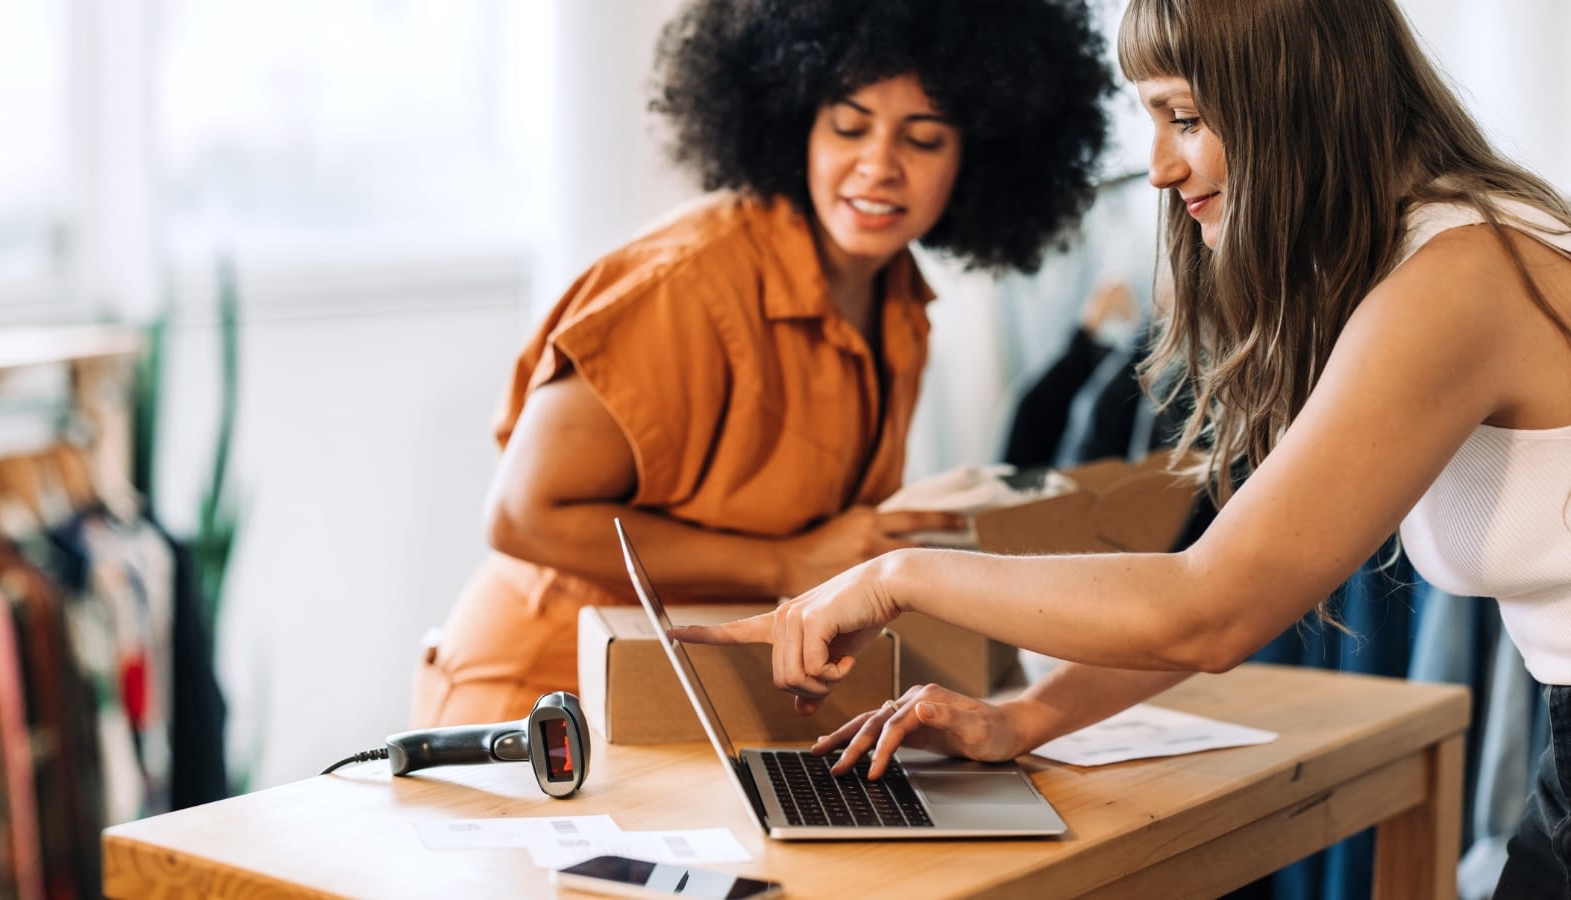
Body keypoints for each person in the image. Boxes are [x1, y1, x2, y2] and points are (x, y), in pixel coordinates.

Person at [674, 0, 1571, 894]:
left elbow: (1212, 610)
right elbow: (1224, 580)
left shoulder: (1457, 279)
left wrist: (895, 577)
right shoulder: (1433, 254)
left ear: (1296, 99)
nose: (1157, 168)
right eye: (1151, 119)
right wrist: (1022, 718)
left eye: (1184, 117)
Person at [409, 0, 1113, 727]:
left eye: (925, 139)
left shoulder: (900, 301)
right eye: (848, 125)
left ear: (978, 158)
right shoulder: (684, 284)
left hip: (692, 704)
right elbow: (523, 516)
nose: (879, 166)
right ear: (796, 122)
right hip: (541, 701)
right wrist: (788, 562)